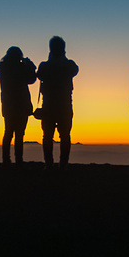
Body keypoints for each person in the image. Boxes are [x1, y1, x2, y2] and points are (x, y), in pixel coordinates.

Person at [36, 36, 79, 167]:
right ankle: (63, 164)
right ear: (64, 49)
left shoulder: (45, 66)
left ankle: (49, 164)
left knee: (47, 136)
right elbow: (74, 70)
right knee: (65, 135)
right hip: (65, 105)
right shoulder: (69, 65)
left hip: (48, 105)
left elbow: (39, 75)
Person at [0, 46, 38, 165]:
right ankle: (18, 160)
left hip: (8, 105)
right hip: (21, 104)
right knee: (19, 134)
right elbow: (31, 79)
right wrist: (30, 65)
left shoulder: (3, 68)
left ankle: (6, 159)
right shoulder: (20, 68)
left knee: (8, 132)